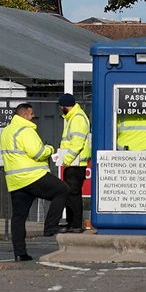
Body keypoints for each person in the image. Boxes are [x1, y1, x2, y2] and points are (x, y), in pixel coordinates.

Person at [0, 103, 69, 261]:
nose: (33, 117)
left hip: (15, 180)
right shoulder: (26, 130)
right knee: (62, 190)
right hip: (33, 176)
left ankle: (20, 253)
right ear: (25, 115)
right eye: (31, 114)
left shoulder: (6, 131)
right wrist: (50, 149)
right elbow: (37, 153)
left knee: (18, 217)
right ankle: (51, 227)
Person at [55, 93, 91, 233]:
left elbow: (77, 143)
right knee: (70, 194)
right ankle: (71, 223)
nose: (60, 109)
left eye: (61, 107)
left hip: (75, 164)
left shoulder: (77, 118)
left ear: (65, 106)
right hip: (72, 163)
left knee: (73, 195)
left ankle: (75, 225)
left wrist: (66, 159)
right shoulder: (74, 117)